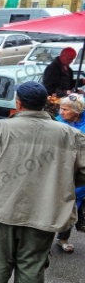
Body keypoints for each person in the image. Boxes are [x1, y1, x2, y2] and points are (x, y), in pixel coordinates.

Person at [0, 81, 85, 283]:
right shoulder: (68, 133)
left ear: (18, 103)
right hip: (45, 211)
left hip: (3, 208)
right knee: (32, 265)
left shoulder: (3, 127)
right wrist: (60, 182)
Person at [55, 94, 85, 251]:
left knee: (72, 205)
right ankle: (42, 237)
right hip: (57, 170)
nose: (61, 112)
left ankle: (63, 238)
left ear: (77, 111)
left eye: (65, 109)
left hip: (78, 173)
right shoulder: (57, 122)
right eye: (60, 108)